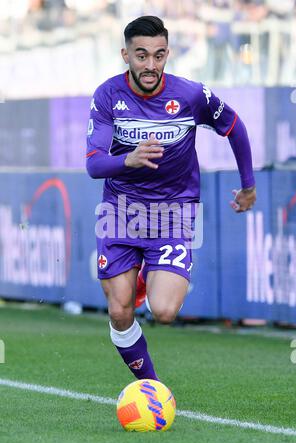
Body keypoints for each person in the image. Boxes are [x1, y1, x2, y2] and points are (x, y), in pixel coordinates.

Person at [86, 16, 256, 381]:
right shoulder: (107, 96)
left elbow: (234, 126)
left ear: (168, 54)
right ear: (125, 55)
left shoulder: (191, 95)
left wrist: (248, 185)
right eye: (142, 56)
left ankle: (145, 279)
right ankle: (151, 388)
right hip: (121, 212)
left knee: (163, 311)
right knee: (120, 313)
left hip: (173, 212)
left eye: (159, 55)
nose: (151, 65)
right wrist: (127, 159)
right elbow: (94, 165)